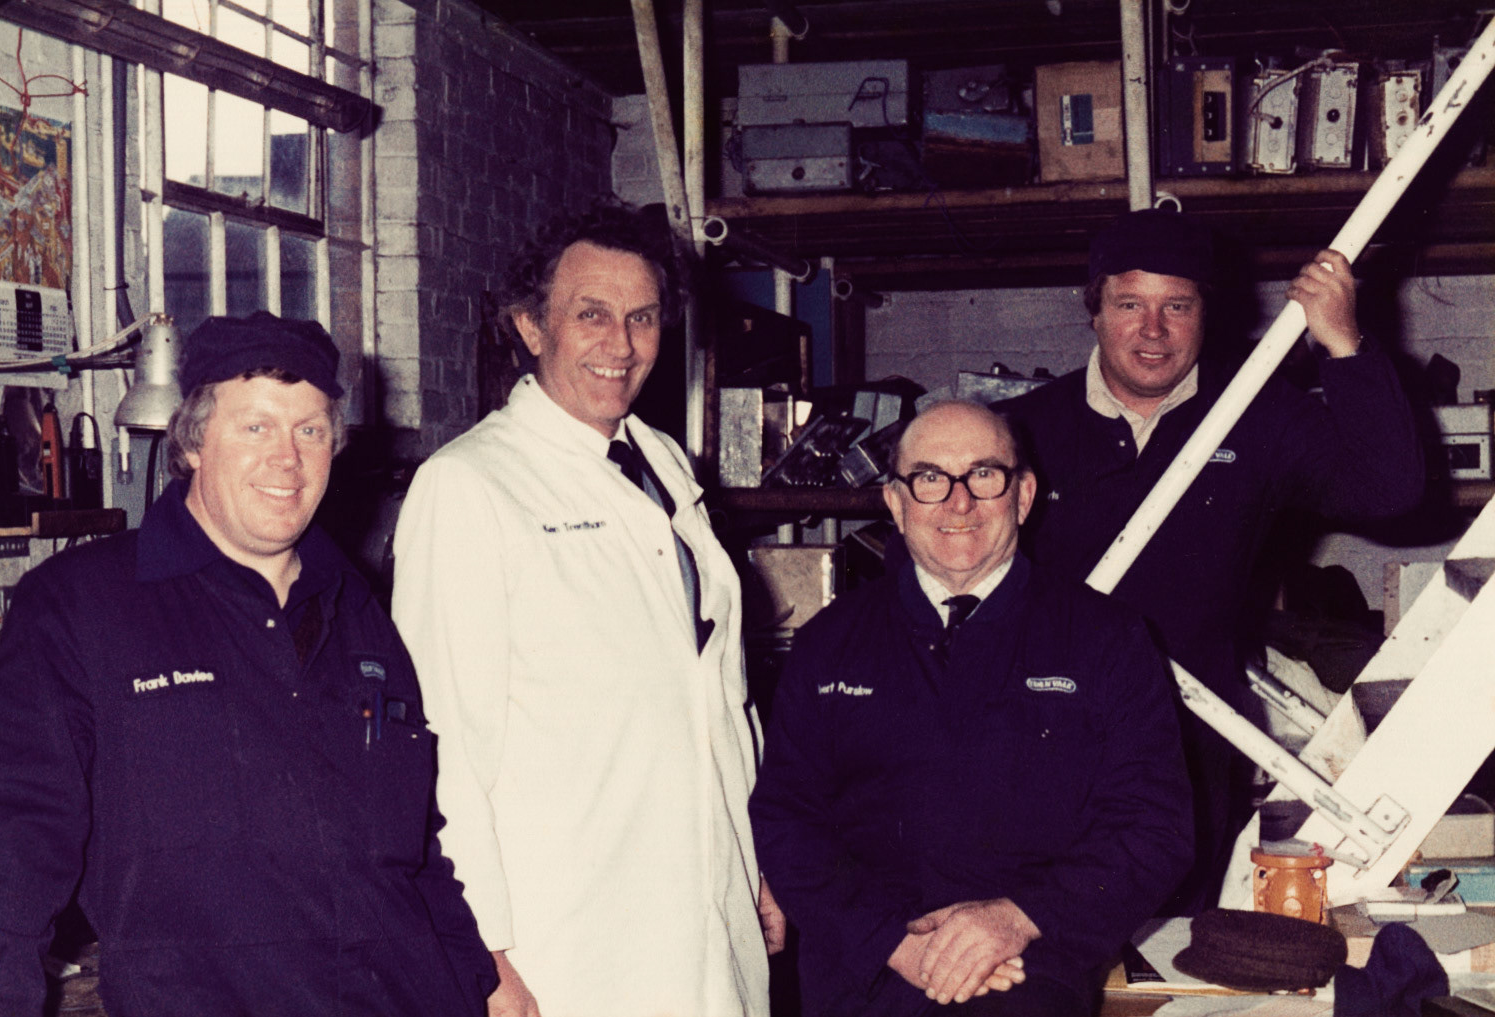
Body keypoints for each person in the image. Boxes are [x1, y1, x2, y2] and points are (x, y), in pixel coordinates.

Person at [0, 311, 496, 1016]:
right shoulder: (80, 608)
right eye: (256, 426)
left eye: (310, 430)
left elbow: (416, 853)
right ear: (192, 441)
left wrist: (481, 982)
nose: (288, 458)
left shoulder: (360, 612)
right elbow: (8, 857)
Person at [392, 205, 777, 1017]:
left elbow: (715, 698)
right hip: (566, 937)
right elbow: (443, 745)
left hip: (704, 907)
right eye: (591, 315)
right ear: (532, 327)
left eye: (642, 318)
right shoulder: (469, 485)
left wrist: (754, 864)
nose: (622, 344)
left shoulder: (662, 460)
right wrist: (486, 953)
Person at [996, 209, 1424, 908]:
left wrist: (1343, 344)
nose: (1153, 330)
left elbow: (1391, 488)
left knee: (1174, 959)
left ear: (1206, 314)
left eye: (1178, 306)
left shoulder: (1257, 415)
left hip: (1194, 742)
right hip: (1045, 739)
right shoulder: (1026, 430)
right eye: (1130, 304)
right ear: (1094, 312)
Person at [750, 401, 1193, 1017]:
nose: (959, 502)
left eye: (985, 475)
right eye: (930, 478)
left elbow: (1154, 827)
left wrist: (1019, 919)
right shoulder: (830, 642)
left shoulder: (1105, 638)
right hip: (865, 976)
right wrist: (892, 945)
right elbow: (786, 820)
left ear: (1024, 494)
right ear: (896, 503)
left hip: (1029, 971)